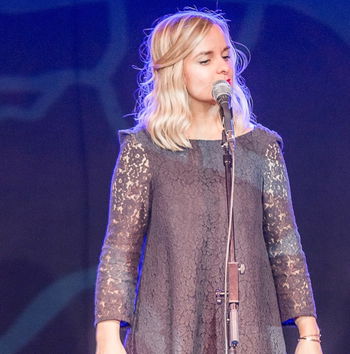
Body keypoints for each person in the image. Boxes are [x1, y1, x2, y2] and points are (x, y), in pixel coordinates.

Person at [94, 9, 322, 354]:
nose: (223, 67)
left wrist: (309, 336)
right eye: (206, 59)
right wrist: (108, 338)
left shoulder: (261, 148)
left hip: (250, 328)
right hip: (169, 327)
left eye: (226, 55)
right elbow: (120, 250)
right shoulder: (145, 149)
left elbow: (285, 246)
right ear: (173, 70)